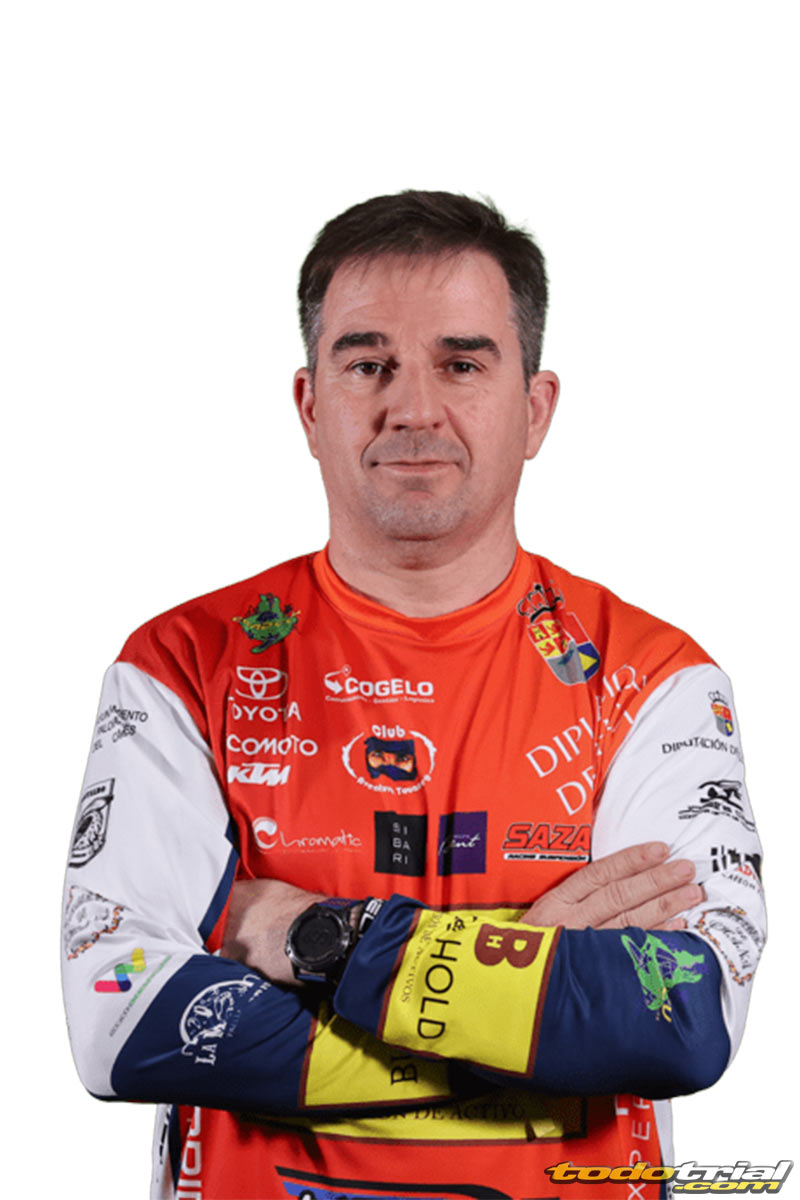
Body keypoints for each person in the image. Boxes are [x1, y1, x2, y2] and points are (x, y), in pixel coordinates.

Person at [62, 191, 765, 1200]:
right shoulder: (180, 665)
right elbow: (120, 1022)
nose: (414, 409)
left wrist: (312, 936)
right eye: (368, 365)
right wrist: (531, 992)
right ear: (310, 405)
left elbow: (682, 1023)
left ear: (535, 408)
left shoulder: (655, 680)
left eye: (461, 363)